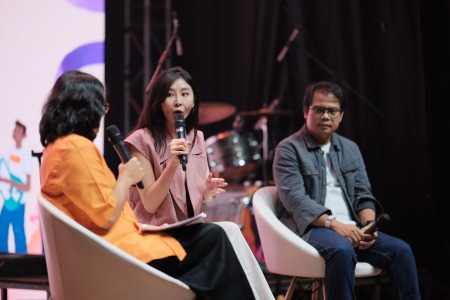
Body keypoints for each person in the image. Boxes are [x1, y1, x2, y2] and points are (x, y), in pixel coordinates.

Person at [39, 70, 264, 300]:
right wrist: (126, 178)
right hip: (126, 255)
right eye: (101, 105)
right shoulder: (77, 148)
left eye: (185, 94)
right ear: (85, 108)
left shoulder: (57, 149)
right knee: (216, 243)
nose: (103, 112)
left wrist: (204, 193)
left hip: (122, 249)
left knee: (222, 241)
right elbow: (106, 215)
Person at [125, 66, 274, 300]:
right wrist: (173, 163)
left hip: (186, 233)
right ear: (157, 101)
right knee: (217, 238)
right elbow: (151, 204)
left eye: (185, 94)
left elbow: (195, 208)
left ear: (194, 101)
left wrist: (206, 194)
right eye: (170, 94)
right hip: (154, 240)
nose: (178, 102)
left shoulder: (197, 138)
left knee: (231, 232)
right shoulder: (140, 141)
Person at [272, 81, 421, 300]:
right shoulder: (289, 148)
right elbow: (296, 200)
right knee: (341, 249)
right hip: (311, 229)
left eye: (332, 111)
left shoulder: (350, 148)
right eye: (319, 109)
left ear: (341, 116)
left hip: (352, 229)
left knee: (402, 251)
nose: (326, 116)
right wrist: (335, 225)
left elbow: (363, 193)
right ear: (306, 111)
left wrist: (369, 225)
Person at [0, 120, 33, 253]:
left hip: (19, 203)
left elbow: (27, 186)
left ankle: (22, 262)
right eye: (15, 129)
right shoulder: (8, 152)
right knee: (2, 230)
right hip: (7, 201)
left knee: (18, 233)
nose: (16, 132)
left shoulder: (26, 154)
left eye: (19, 130)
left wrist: (9, 182)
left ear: (24, 135)